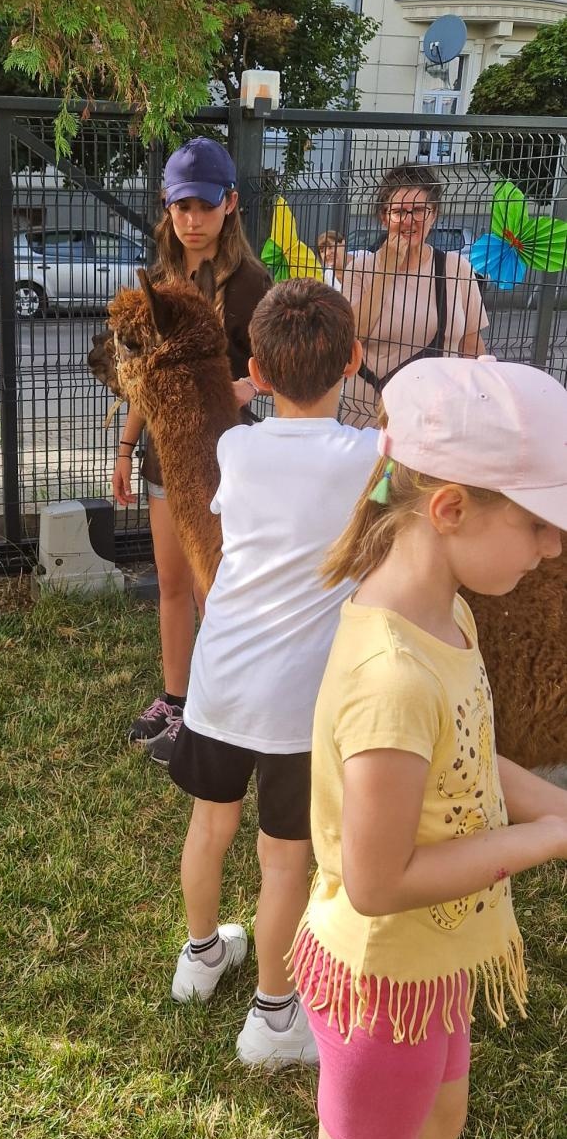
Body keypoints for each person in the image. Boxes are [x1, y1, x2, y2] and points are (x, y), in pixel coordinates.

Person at [293, 356, 567, 1139]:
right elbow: (377, 882)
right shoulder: (393, 679)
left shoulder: (448, 617)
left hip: (431, 964)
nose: (555, 548)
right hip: (382, 981)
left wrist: (558, 808)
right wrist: (544, 840)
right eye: (538, 524)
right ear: (448, 508)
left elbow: (471, 758)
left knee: (440, 1121)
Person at [167, 280, 377, 1068]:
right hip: (301, 702)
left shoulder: (237, 449)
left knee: (209, 826)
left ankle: (200, 957)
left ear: (255, 367)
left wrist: (246, 386)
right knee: (284, 858)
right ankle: (273, 1016)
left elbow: (234, 415)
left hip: (220, 681)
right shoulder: (370, 458)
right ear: (354, 359)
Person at [112, 137, 272, 763]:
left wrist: (241, 386)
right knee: (173, 584)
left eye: (205, 205)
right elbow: (143, 374)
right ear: (167, 206)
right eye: (183, 206)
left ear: (230, 203)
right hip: (163, 457)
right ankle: (175, 699)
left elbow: (275, 367)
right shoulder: (160, 280)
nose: (194, 219)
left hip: (225, 461)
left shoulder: (253, 283)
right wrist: (126, 446)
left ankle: (214, 707)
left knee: (216, 590)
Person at [341, 164, 487, 425]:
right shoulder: (360, 270)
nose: (409, 221)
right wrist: (385, 272)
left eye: (419, 210)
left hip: (436, 419)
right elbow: (352, 336)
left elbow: (471, 347)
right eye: (399, 212)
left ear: (434, 214)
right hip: (370, 419)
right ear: (384, 217)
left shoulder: (457, 269)